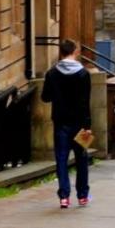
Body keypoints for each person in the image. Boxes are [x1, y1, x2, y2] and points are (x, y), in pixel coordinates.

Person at [41, 39, 92, 209]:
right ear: (75, 51)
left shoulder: (52, 73)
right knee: (82, 158)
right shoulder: (84, 74)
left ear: (60, 52)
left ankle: (64, 196)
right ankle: (83, 195)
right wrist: (88, 125)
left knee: (62, 159)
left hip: (61, 122)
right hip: (80, 123)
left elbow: (45, 97)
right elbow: (86, 102)